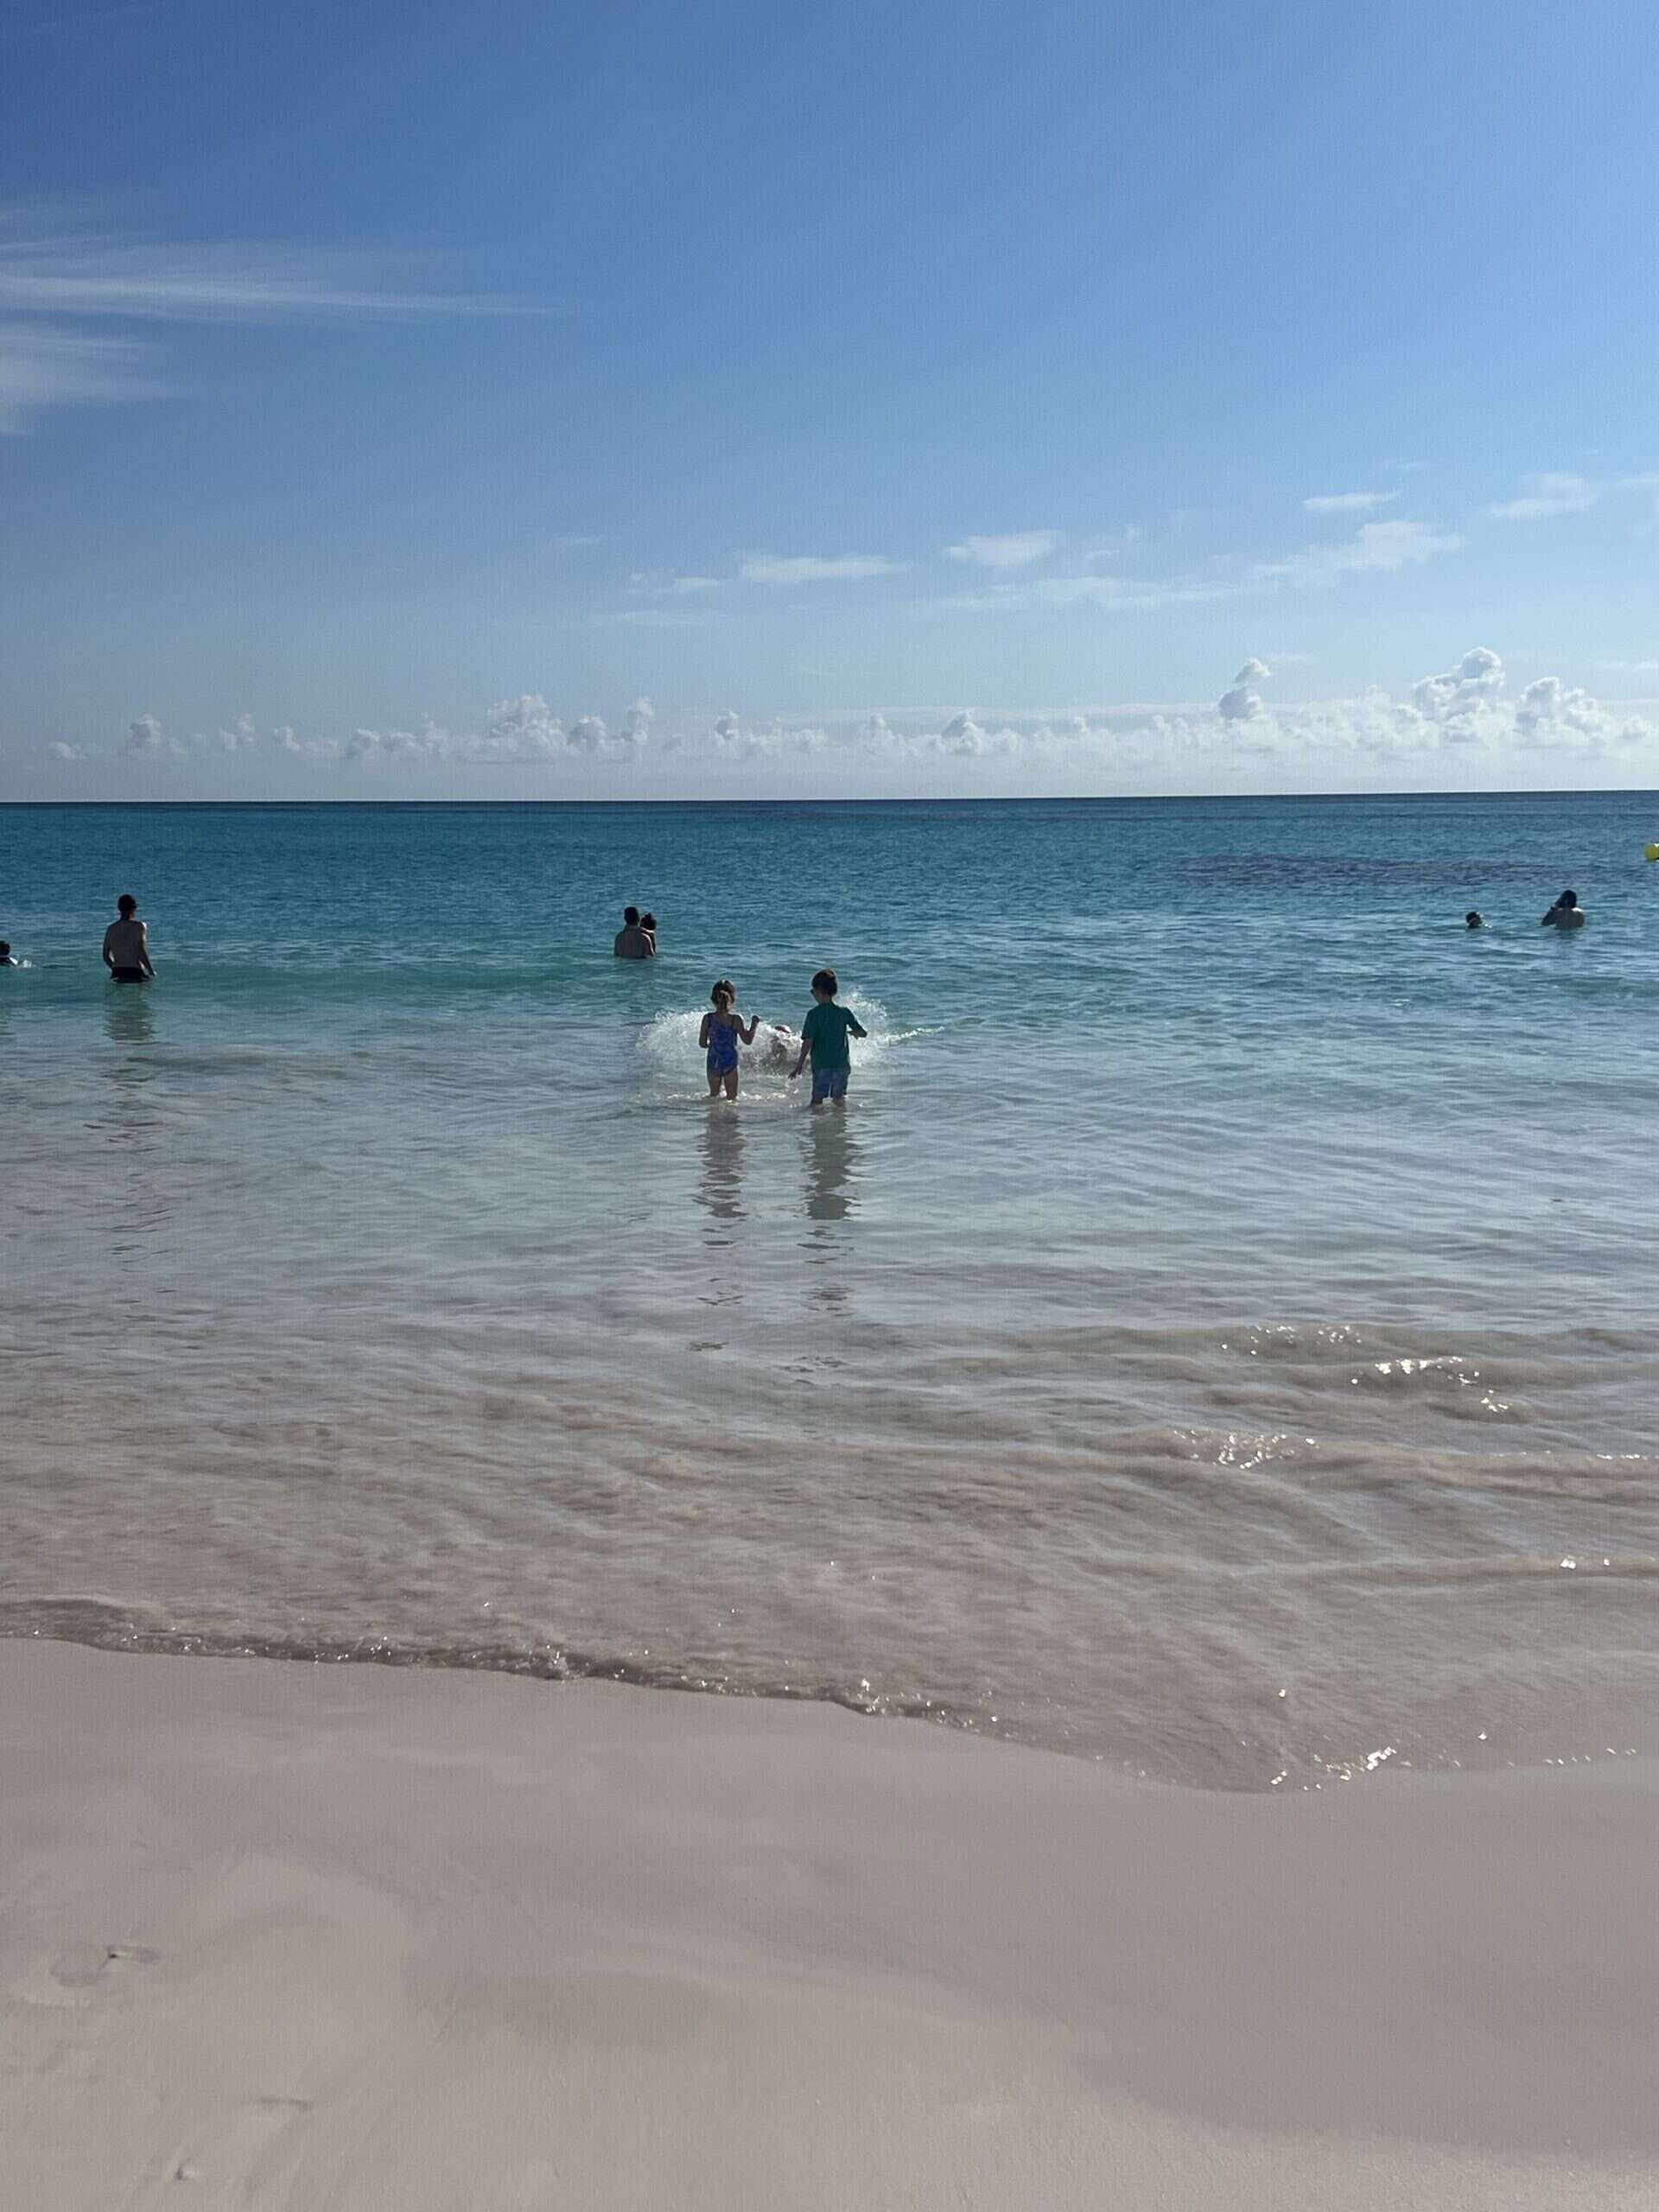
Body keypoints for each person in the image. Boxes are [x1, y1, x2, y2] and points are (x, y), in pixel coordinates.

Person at [790, 968, 867, 1109]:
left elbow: (808, 1042)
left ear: (819, 991)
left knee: (816, 1101)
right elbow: (863, 1033)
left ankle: (817, 1128)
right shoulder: (844, 1013)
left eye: (812, 991)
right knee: (838, 1100)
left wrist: (799, 1065)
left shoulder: (813, 1014)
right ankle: (840, 1126)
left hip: (822, 1066)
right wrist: (852, 1033)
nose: (812, 994)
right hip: (842, 1065)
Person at [700, 979, 760, 1099]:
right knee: (732, 1099)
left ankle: (713, 1117)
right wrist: (754, 1025)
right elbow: (748, 1041)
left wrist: (713, 1045)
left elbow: (702, 1044)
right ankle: (730, 1118)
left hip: (713, 1061)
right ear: (732, 999)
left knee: (713, 1097)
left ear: (713, 1000)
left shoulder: (707, 1019)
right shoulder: (736, 1020)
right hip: (731, 1062)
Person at [102, 894, 155, 982]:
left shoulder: (111, 928)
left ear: (119, 908)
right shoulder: (140, 926)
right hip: (135, 971)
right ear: (134, 909)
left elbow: (105, 956)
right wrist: (150, 970)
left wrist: (115, 969)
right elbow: (140, 950)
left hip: (117, 972)